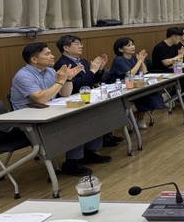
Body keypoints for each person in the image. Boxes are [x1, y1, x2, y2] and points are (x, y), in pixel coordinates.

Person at [10, 42, 111, 176]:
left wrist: (68, 79)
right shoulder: (23, 76)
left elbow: (65, 93)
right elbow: (40, 98)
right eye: (47, 54)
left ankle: (88, 153)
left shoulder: (50, 71)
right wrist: (60, 81)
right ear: (34, 59)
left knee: (91, 114)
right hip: (30, 122)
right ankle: (71, 163)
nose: (52, 56)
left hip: (50, 113)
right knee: (75, 122)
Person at [53, 35, 119, 147]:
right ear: (66, 48)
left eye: (81, 44)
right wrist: (92, 71)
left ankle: (106, 137)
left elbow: (93, 80)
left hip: (87, 96)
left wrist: (99, 69)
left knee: (107, 107)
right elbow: (75, 85)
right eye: (77, 44)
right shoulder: (63, 64)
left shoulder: (82, 61)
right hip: (74, 99)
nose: (80, 46)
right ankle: (92, 147)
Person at [106, 37, 165, 129]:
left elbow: (145, 72)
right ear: (121, 49)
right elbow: (130, 74)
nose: (132, 47)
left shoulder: (133, 58)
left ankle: (139, 118)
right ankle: (135, 118)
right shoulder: (119, 60)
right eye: (128, 45)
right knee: (145, 97)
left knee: (152, 93)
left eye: (132, 44)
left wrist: (141, 61)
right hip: (120, 89)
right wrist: (140, 61)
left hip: (134, 86)